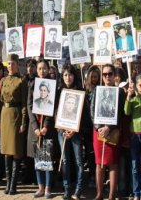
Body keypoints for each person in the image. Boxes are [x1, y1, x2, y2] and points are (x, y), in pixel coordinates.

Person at [0, 54, 27, 195]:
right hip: (4, 114)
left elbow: (24, 104)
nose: (10, 66)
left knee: (15, 150)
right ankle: (8, 182)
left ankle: (14, 184)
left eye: (13, 63)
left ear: (17, 65)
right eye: (8, 64)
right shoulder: (2, 80)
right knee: (6, 151)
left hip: (16, 115)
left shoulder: (22, 80)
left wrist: (23, 121)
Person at [92, 64, 124, 200]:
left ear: (114, 75)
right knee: (99, 163)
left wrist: (108, 128)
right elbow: (92, 110)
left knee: (113, 163)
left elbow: (121, 113)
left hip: (113, 131)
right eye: (104, 74)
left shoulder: (120, 92)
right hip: (98, 131)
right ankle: (99, 193)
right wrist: (99, 127)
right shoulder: (96, 91)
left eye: (109, 74)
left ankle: (111, 195)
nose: (107, 76)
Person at [57, 64, 87, 200]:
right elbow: (55, 113)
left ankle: (78, 189)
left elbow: (84, 115)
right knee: (65, 160)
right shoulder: (59, 91)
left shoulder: (80, 91)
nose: (68, 77)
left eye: (70, 74)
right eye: (65, 75)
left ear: (74, 76)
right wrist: (62, 129)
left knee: (79, 161)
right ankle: (67, 188)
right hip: (62, 132)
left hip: (76, 132)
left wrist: (74, 130)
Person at [28, 60, 55, 198]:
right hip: (35, 130)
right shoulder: (32, 85)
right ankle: (40, 187)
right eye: (39, 68)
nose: (42, 71)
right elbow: (29, 106)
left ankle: (48, 189)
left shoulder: (52, 85)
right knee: (37, 160)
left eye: (44, 68)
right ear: (36, 70)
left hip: (47, 129)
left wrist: (46, 126)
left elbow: (52, 108)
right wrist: (34, 127)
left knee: (47, 160)